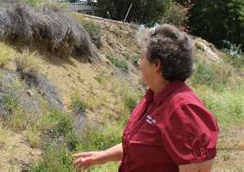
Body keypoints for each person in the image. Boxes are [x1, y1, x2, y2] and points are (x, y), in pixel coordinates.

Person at [73, 24, 219, 171]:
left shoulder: (183, 109)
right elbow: (142, 147)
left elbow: (199, 167)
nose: (138, 62)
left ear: (157, 65)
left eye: (142, 57)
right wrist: (103, 156)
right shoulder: (154, 97)